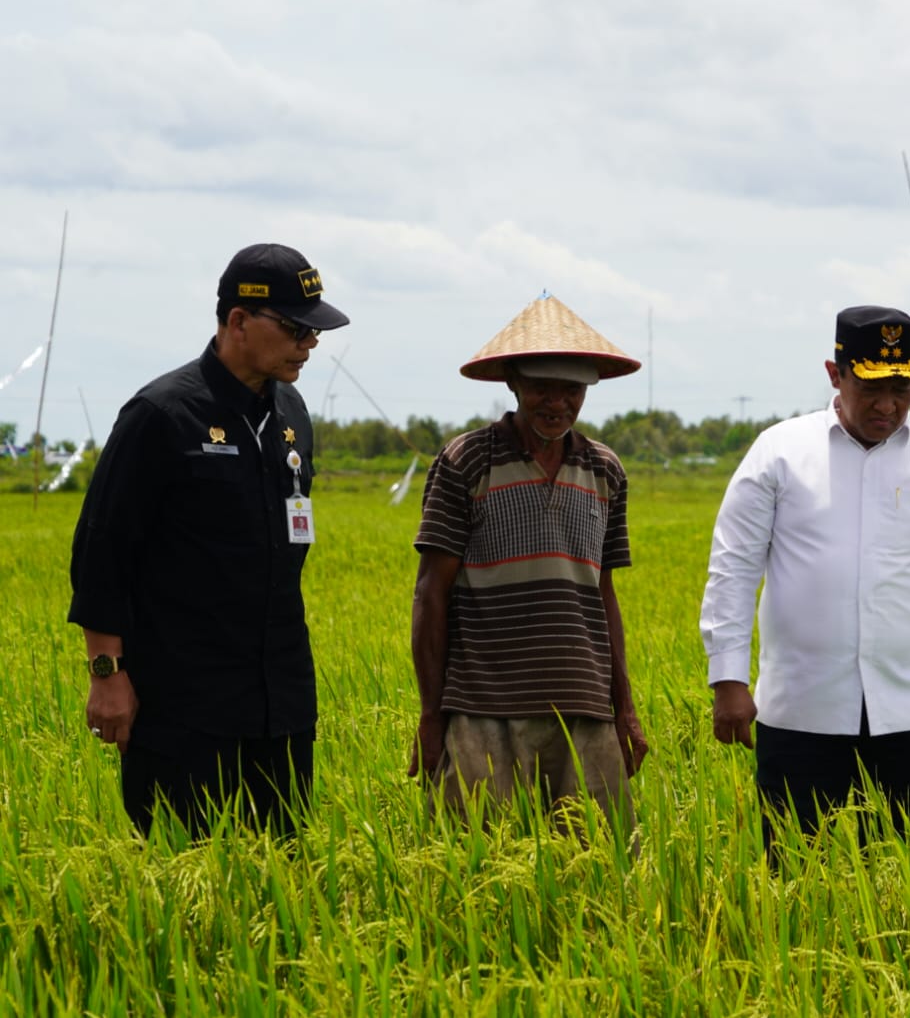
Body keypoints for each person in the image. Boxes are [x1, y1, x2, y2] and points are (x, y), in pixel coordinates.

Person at [69, 243, 350, 837]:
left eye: (314, 329)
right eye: (296, 327)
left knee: (281, 883)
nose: (311, 343)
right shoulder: (161, 414)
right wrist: (106, 673)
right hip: (184, 706)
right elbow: (102, 551)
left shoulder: (293, 412)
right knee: (186, 877)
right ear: (238, 321)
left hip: (282, 701)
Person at [701, 305, 910, 847]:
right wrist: (728, 679)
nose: (888, 406)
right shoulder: (779, 453)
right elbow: (733, 569)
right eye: (871, 388)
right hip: (800, 709)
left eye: (903, 390)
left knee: (902, 876)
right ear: (834, 373)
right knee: (792, 873)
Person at [410, 294, 647, 832]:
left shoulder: (605, 470)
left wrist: (624, 710)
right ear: (513, 383)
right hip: (482, 708)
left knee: (596, 874)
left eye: (571, 390)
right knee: (476, 870)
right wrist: (432, 715)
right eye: (542, 387)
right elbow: (431, 594)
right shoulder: (466, 461)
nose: (556, 402)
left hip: (583, 706)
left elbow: (602, 594)